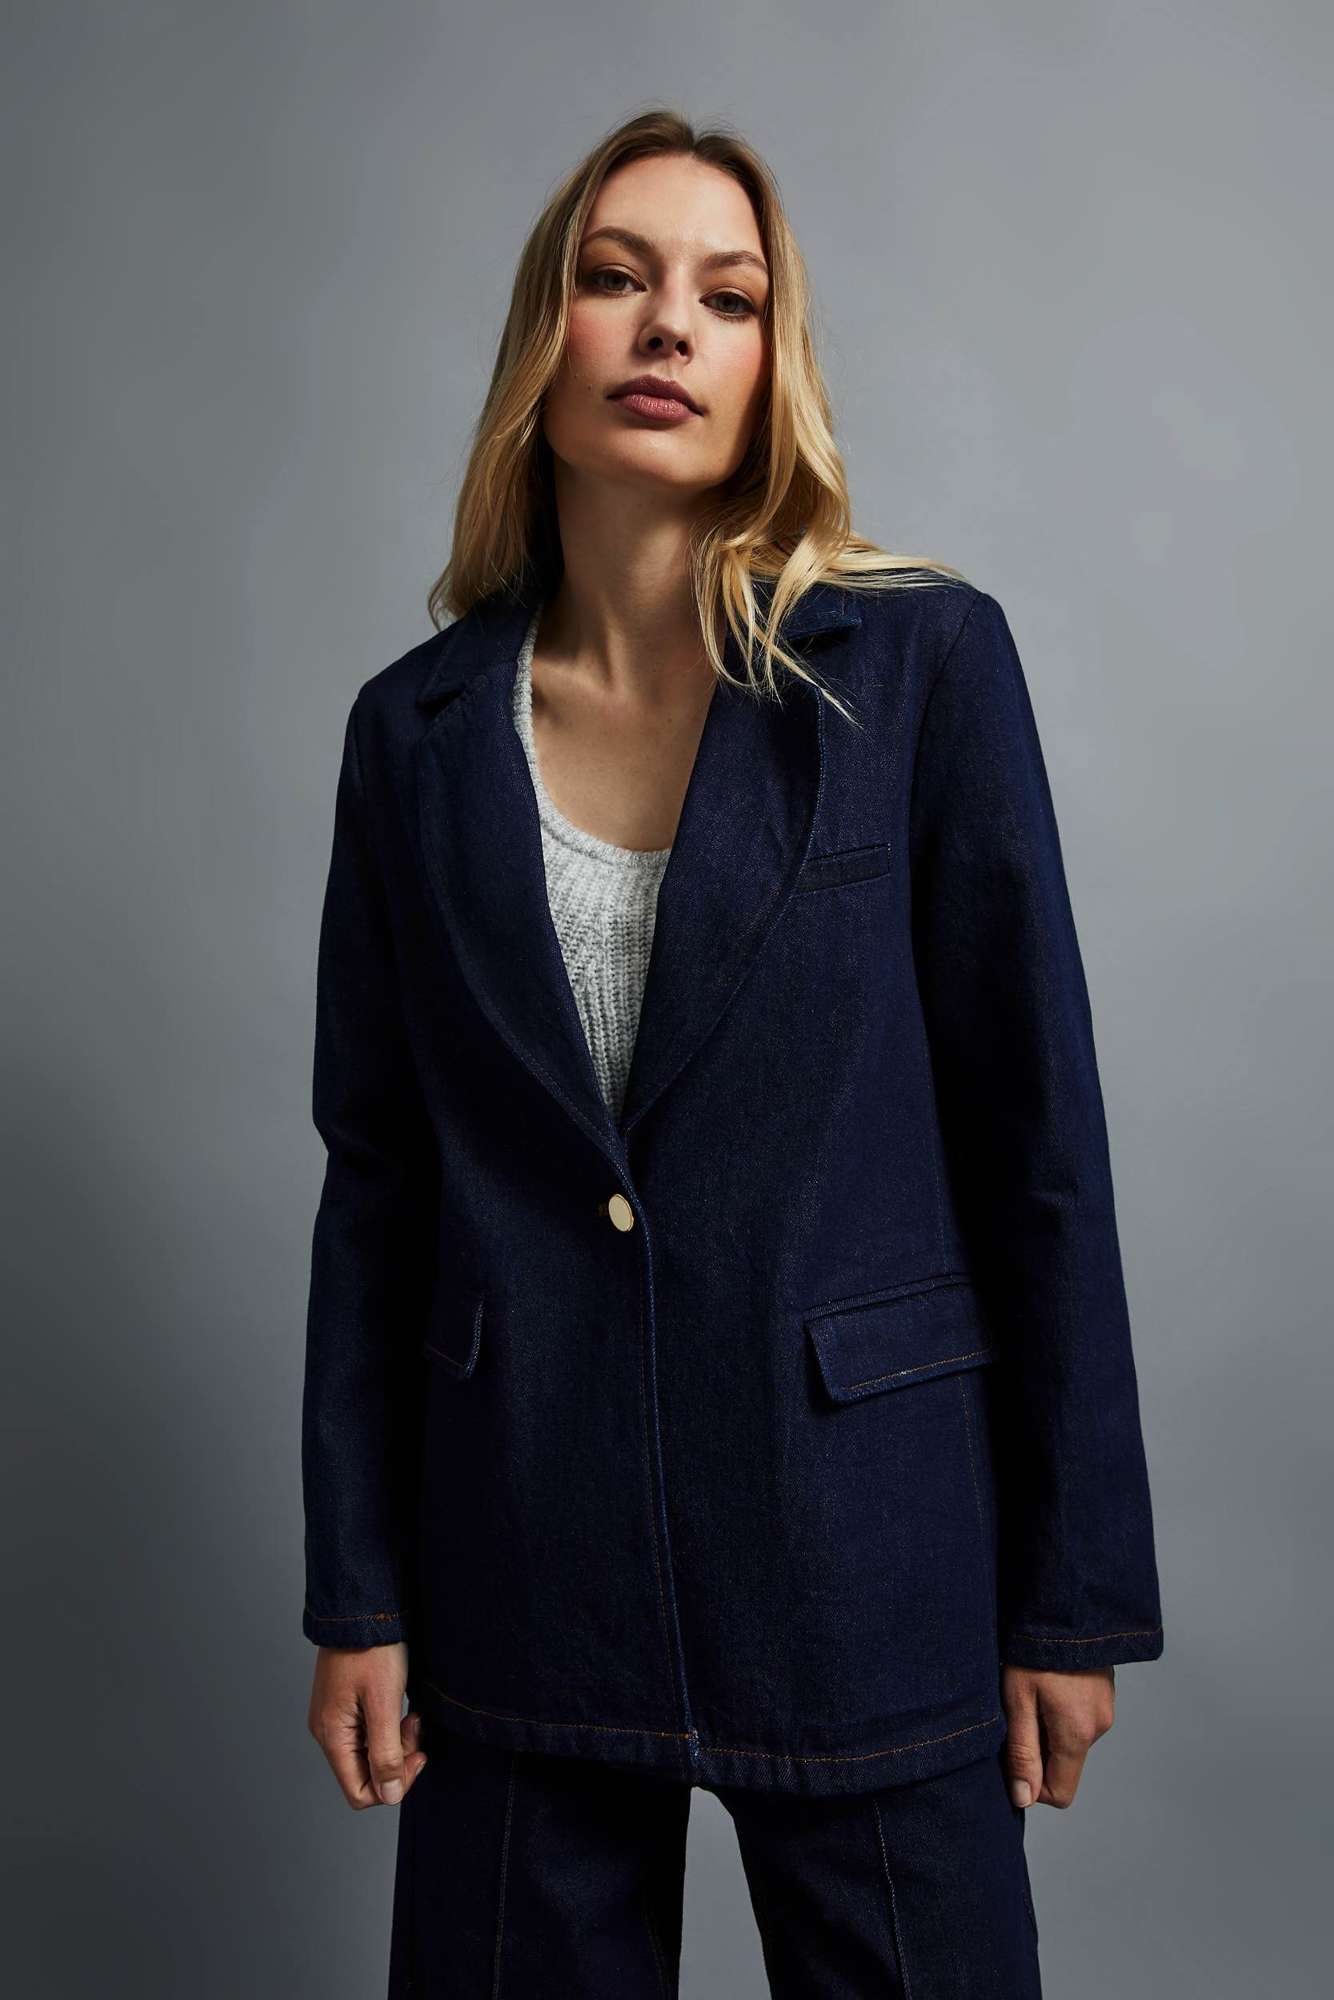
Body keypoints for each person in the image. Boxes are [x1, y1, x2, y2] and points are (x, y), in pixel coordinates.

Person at [300, 107, 1164, 1998]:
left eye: (729, 296)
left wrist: (1070, 1593)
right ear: (544, 342)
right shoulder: (413, 736)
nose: (669, 327)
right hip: (518, 1548)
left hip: (864, 1544)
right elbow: (378, 1182)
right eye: (616, 279)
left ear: (773, 362)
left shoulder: (917, 672)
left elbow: (1037, 1142)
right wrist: (355, 1587)